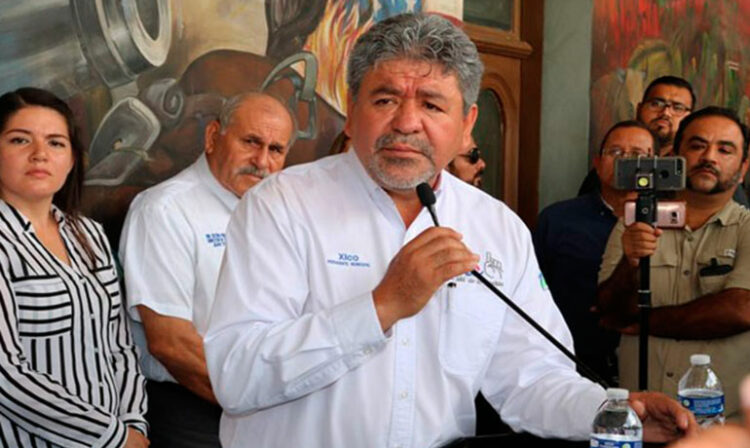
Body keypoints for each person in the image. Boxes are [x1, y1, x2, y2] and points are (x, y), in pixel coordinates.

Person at [204, 13, 696, 447]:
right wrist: (382, 306)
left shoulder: (496, 227)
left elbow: (532, 378)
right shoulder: (281, 206)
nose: (406, 123)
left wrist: (614, 413)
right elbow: (236, 375)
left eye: (433, 105)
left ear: (467, 124)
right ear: (352, 112)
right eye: (385, 99)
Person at [119, 92, 295, 446]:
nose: (262, 161)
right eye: (251, 142)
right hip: (194, 410)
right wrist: (255, 404)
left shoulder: (280, 212)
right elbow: (170, 343)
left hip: (266, 407)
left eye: (275, 150)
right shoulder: (164, 210)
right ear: (213, 136)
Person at [0, 87, 148, 447]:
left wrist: (134, 423)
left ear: (71, 160)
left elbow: (120, 346)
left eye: (55, 143)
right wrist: (113, 437)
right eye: (20, 140)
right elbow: (5, 374)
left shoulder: (90, 235)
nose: (40, 154)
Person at [598, 106, 750, 420]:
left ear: (743, 167)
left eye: (725, 149)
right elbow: (610, 313)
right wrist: (630, 263)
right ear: (675, 156)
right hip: (640, 417)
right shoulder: (635, 220)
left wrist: (643, 322)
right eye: (697, 145)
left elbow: (740, 310)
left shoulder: (747, 229)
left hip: (721, 424)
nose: (709, 157)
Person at [534, 120, 658, 385]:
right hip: (571, 363)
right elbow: (532, 293)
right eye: (616, 152)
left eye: (637, 155)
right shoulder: (558, 219)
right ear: (598, 163)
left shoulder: (672, 220)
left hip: (648, 362)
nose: (626, 162)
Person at [578, 76, 695, 195]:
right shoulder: (612, 167)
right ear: (639, 109)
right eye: (656, 104)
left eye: (678, 108)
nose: (665, 113)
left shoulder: (691, 170)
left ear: (690, 118)